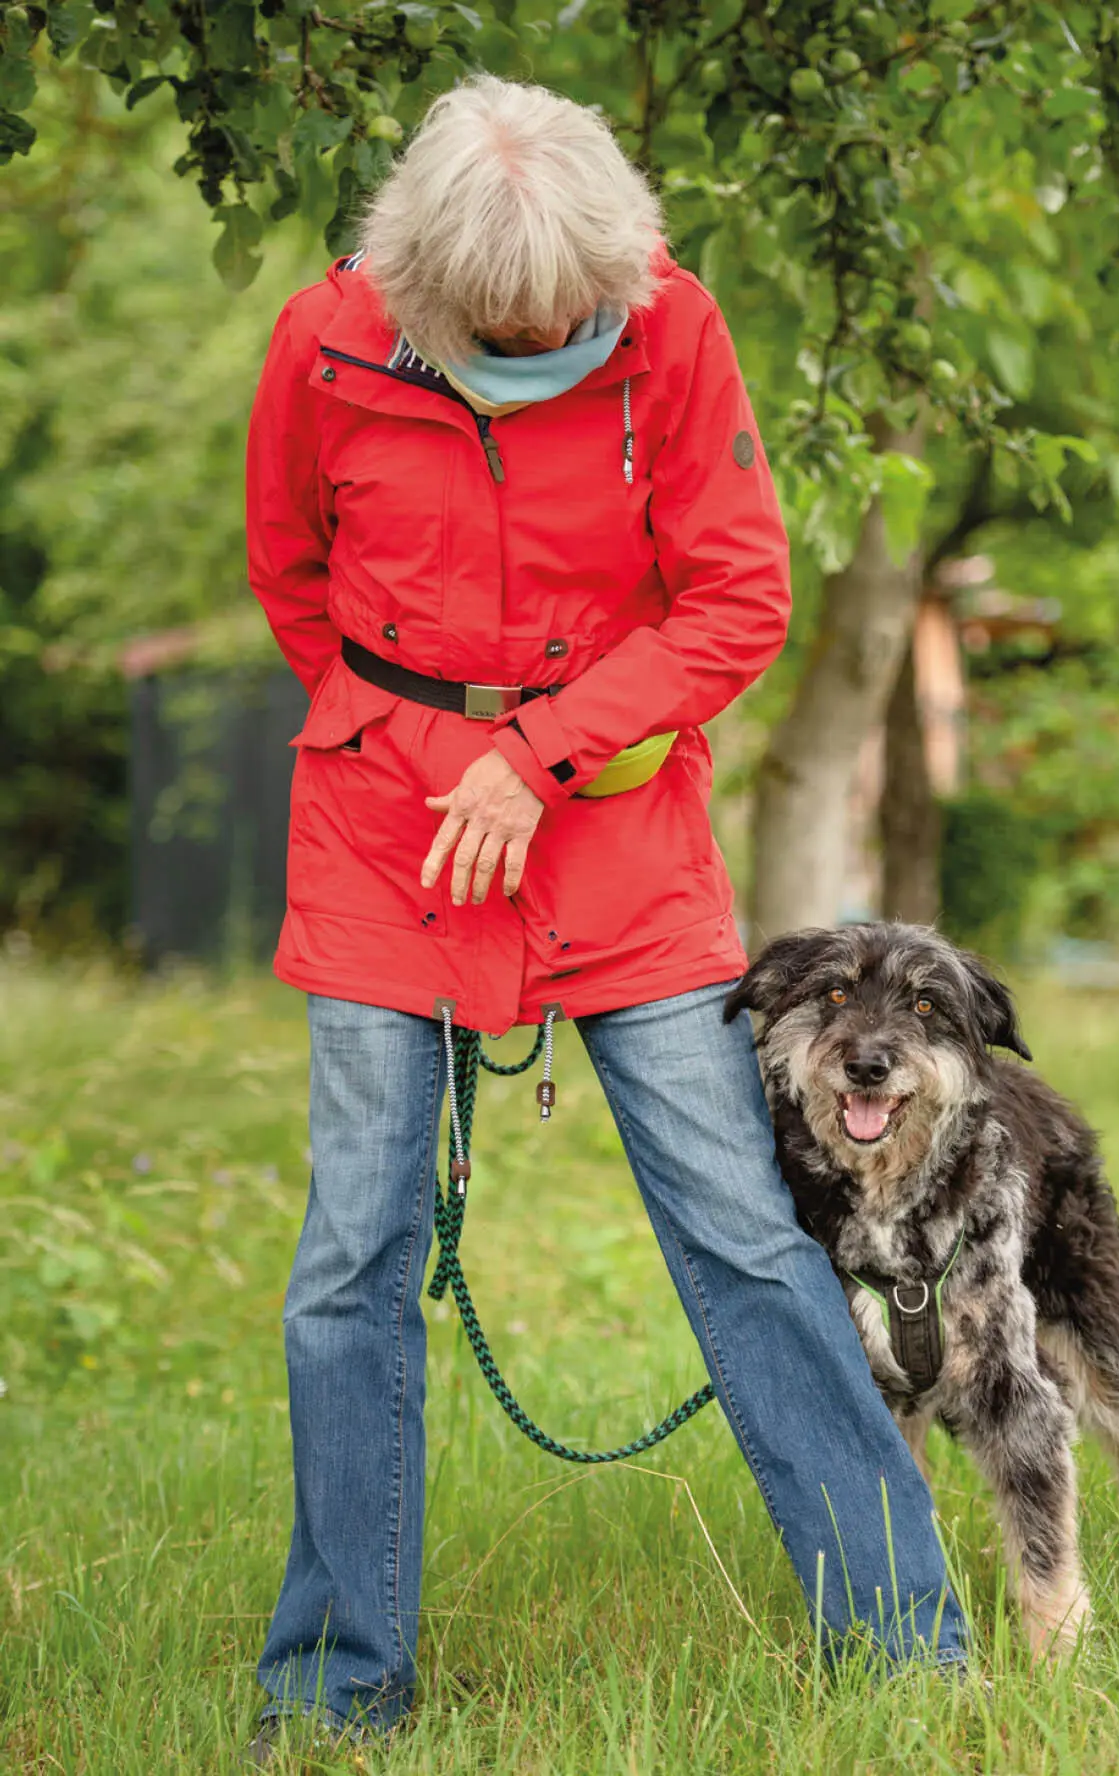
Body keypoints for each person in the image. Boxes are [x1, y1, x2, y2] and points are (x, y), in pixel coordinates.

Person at [243, 72, 965, 1760]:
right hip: (388, 839)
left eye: (571, 312)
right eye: (506, 326)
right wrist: (447, 762)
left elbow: (739, 598)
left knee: (740, 1228)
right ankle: (334, 1688)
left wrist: (540, 759)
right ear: (418, 297)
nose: (546, 337)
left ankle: (907, 1645)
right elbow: (296, 585)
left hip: (620, 849)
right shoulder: (321, 344)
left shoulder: (670, 322)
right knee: (348, 1259)